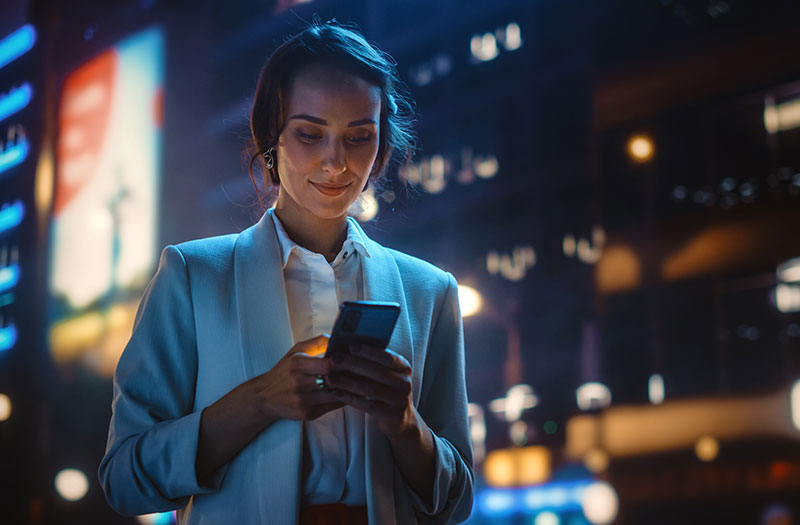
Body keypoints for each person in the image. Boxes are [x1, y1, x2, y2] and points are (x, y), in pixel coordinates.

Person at [98, 21, 473, 525]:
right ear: (270, 138)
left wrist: (406, 425)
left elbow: (458, 502)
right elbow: (124, 479)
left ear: (381, 147)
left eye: (359, 137)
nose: (335, 162)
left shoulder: (430, 292)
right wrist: (259, 401)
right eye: (309, 133)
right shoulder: (193, 276)